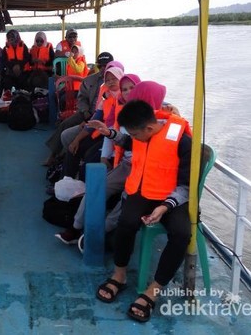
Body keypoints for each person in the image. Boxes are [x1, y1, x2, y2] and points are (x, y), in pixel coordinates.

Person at [95, 99, 192, 323]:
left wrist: (165, 206)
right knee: (126, 222)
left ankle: (153, 290)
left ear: (149, 128)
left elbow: (187, 186)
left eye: (137, 134)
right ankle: (119, 275)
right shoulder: (142, 133)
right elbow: (130, 141)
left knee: (181, 234)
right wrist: (109, 133)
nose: (134, 138)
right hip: (143, 191)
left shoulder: (182, 142)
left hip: (173, 198)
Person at [55, 74, 141, 245]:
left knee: (125, 202)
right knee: (97, 187)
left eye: (132, 88)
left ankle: (95, 235)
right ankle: (76, 227)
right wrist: (105, 151)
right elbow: (122, 139)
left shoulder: (154, 114)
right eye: (124, 89)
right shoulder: (119, 108)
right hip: (126, 163)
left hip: (144, 170)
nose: (127, 92)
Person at [43, 52, 115, 166]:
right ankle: (53, 154)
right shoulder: (89, 80)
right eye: (100, 66)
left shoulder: (117, 82)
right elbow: (81, 98)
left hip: (102, 118)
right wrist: (85, 111)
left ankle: (66, 156)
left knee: (75, 134)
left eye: (106, 65)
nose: (102, 68)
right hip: (87, 113)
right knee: (65, 124)